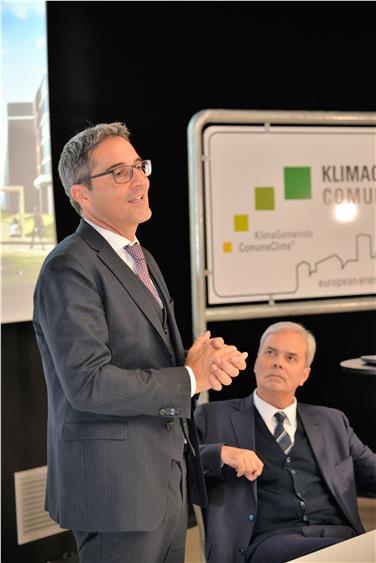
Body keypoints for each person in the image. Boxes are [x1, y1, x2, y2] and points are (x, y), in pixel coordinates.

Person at [32, 122, 248, 563]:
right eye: (119, 172)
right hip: (115, 494)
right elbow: (89, 384)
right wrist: (189, 377)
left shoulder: (138, 255)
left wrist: (202, 360)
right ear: (81, 194)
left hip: (163, 482)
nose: (140, 180)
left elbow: (148, 355)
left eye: (139, 166)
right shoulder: (68, 267)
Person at [194, 321, 376, 563]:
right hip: (269, 542)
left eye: (291, 358)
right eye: (270, 353)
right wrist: (221, 453)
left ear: (304, 375)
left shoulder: (332, 421)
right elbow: (179, 463)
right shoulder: (213, 416)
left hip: (339, 535)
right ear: (256, 363)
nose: (278, 362)